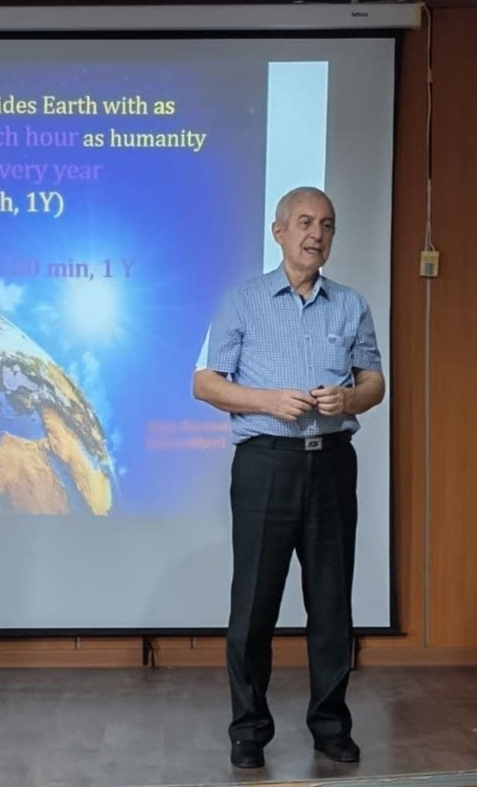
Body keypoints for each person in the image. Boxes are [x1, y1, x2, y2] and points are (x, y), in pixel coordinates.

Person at [192, 186, 385, 769]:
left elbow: (374, 383)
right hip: (265, 463)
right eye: (304, 222)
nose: (316, 234)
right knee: (255, 603)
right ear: (279, 232)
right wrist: (267, 401)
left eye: (326, 224)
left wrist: (348, 398)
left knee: (331, 602)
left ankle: (330, 726)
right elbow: (205, 383)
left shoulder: (350, 304)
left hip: (331, 463)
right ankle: (249, 729)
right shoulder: (244, 301)